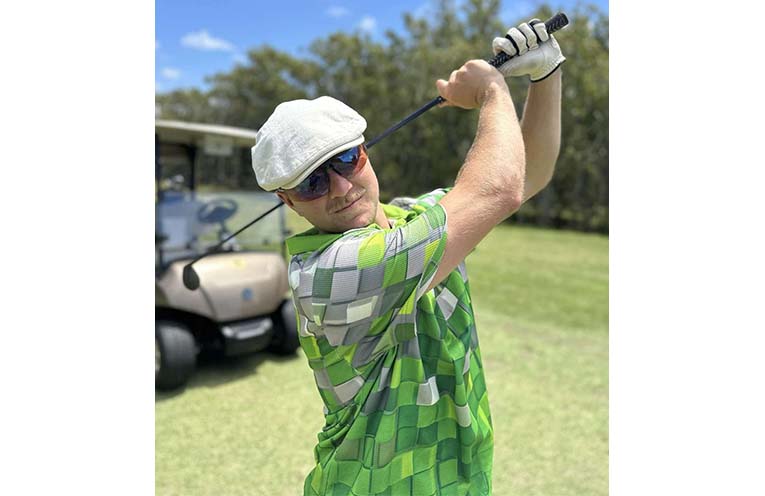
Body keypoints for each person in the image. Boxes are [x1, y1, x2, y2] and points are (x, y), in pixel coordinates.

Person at [251, 18, 564, 496]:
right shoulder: (329, 275)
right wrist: (491, 91)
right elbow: (497, 190)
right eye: (312, 182)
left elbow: (525, 175)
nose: (341, 187)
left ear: (365, 151)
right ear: (288, 201)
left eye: (345, 159)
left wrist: (546, 75)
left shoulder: (411, 219)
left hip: (460, 479)